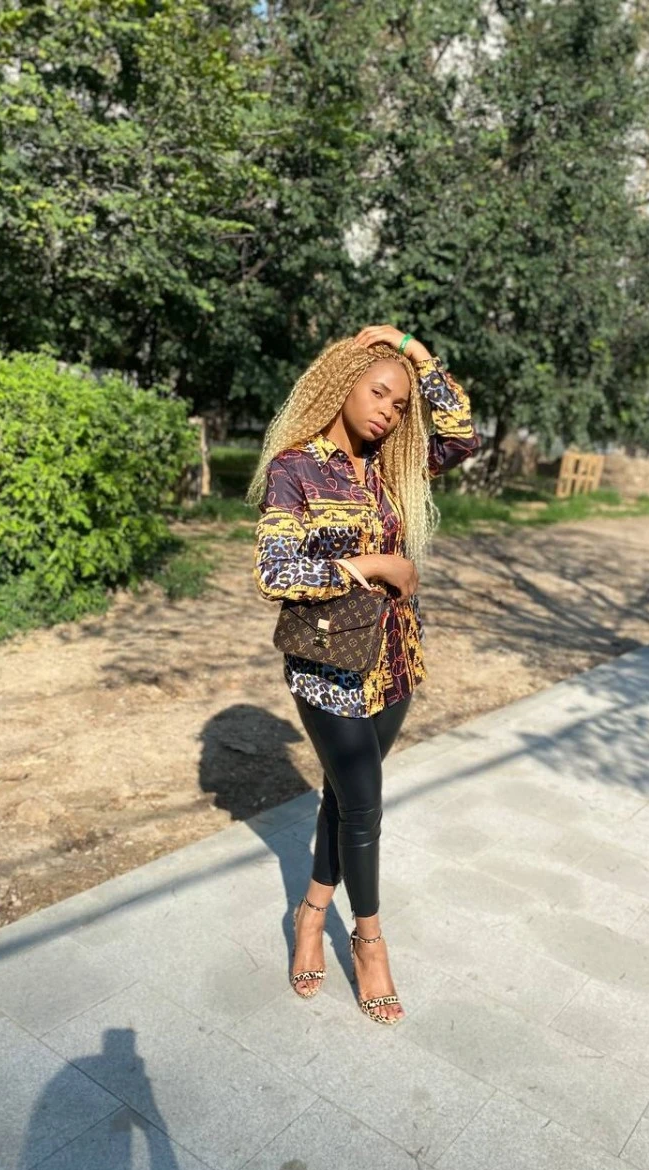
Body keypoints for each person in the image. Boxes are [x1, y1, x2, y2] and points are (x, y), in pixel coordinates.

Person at [249, 324, 480, 1024]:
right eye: (378, 392)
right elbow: (275, 571)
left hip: (395, 662)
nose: (389, 411)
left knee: (344, 796)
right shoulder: (296, 468)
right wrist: (375, 565)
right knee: (366, 806)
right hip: (328, 669)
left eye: (399, 404)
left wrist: (415, 352)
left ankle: (311, 913)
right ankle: (370, 939)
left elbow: (462, 436)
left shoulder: (394, 466)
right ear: (341, 385)